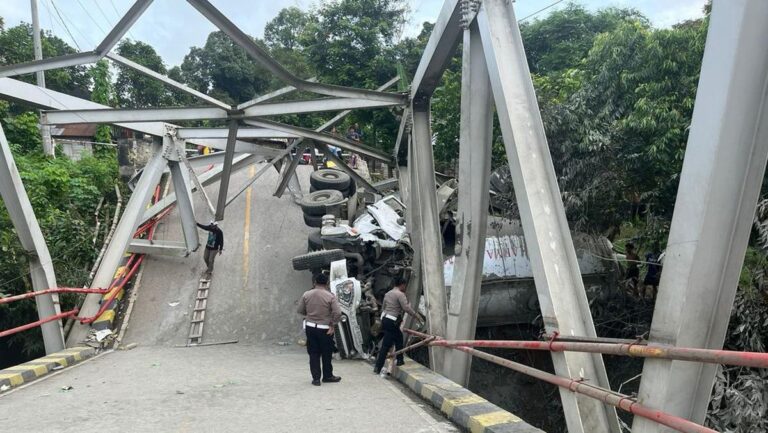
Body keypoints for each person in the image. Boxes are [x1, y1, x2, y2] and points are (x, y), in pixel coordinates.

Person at [297, 273, 342, 386]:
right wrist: (332, 324)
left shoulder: (306, 294)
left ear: (315, 283)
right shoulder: (330, 296)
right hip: (325, 328)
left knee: (313, 353)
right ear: (327, 284)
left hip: (310, 327)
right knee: (327, 353)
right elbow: (338, 313)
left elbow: (300, 310)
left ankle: (316, 379)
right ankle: (327, 376)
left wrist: (310, 314)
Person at [373, 276, 424, 375]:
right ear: (402, 285)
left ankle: (400, 360)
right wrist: (416, 316)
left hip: (385, 319)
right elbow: (406, 308)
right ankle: (378, 367)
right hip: (392, 320)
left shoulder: (388, 294)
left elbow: (383, 307)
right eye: (405, 285)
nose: (405, 287)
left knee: (399, 337)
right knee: (386, 344)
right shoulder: (400, 294)